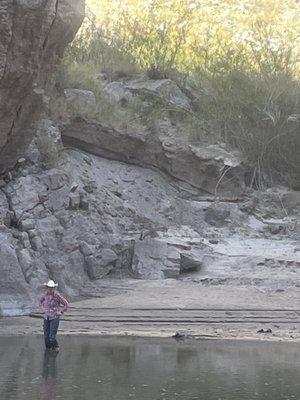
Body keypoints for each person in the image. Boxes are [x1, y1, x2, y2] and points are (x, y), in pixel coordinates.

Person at [39, 280, 68, 352]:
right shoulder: (44, 295)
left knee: (52, 336)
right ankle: (48, 350)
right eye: (49, 287)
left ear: (54, 288)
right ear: (47, 287)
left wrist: (61, 311)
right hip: (46, 317)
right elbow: (40, 301)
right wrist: (43, 309)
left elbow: (66, 304)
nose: (50, 289)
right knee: (46, 336)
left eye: (51, 288)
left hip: (54, 317)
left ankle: (56, 347)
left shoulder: (57, 295)